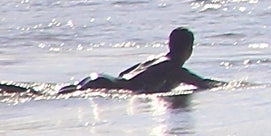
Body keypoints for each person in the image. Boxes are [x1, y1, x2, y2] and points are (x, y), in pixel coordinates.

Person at [57, 27, 221, 94]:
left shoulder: (154, 59)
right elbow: (203, 83)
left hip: (101, 78)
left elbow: (124, 73)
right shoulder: (174, 68)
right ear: (189, 48)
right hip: (106, 85)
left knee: (70, 91)